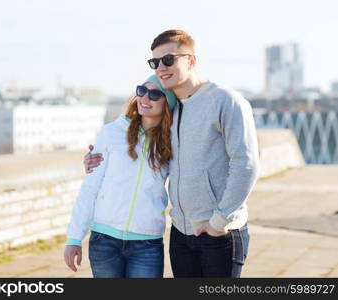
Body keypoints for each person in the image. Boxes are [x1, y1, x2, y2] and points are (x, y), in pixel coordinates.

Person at [84, 30, 260, 277]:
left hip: (220, 233)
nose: (161, 67)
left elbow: (246, 164)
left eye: (169, 60)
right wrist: (97, 159)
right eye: (155, 62)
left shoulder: (226, 101)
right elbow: (139, 151)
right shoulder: (170, 109)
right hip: (180, 234)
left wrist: (219, 222)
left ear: (191, 60)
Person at [64, 75, 177, 278]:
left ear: (167, 103)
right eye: (142, 91)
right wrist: (74, 238)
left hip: (147, 244)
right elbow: (91, 187)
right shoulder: (112, 133)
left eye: (154, 94)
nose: (145, 98)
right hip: (104, 240)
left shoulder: (172, 142)